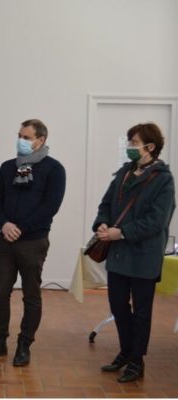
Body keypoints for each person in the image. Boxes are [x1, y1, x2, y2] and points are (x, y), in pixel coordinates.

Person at [0, 119, 66, 366]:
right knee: (0, 292)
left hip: (33, 241)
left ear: (41, 140)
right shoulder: (7, 167)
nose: (21, 140)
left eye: (27, 137)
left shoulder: (54, 169)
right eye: (20, 135)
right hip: (5, 240)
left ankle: (24, 345)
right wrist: (4, 224)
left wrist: (22, 228)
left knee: (31, 295)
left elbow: (51, 206)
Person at [94, 123, 175, 383]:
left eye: (134, 142)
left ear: (150, 147)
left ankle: (136, 360)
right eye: (129, 141)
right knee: (117, 305)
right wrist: (102, 223)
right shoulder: (123, 174)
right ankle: (126, 351)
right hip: (118, 254)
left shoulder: (163, 180)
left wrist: (122, 232)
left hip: (144, 255)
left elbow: (156, 221)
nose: (130, 147)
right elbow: (105, 205)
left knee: (141, 311)